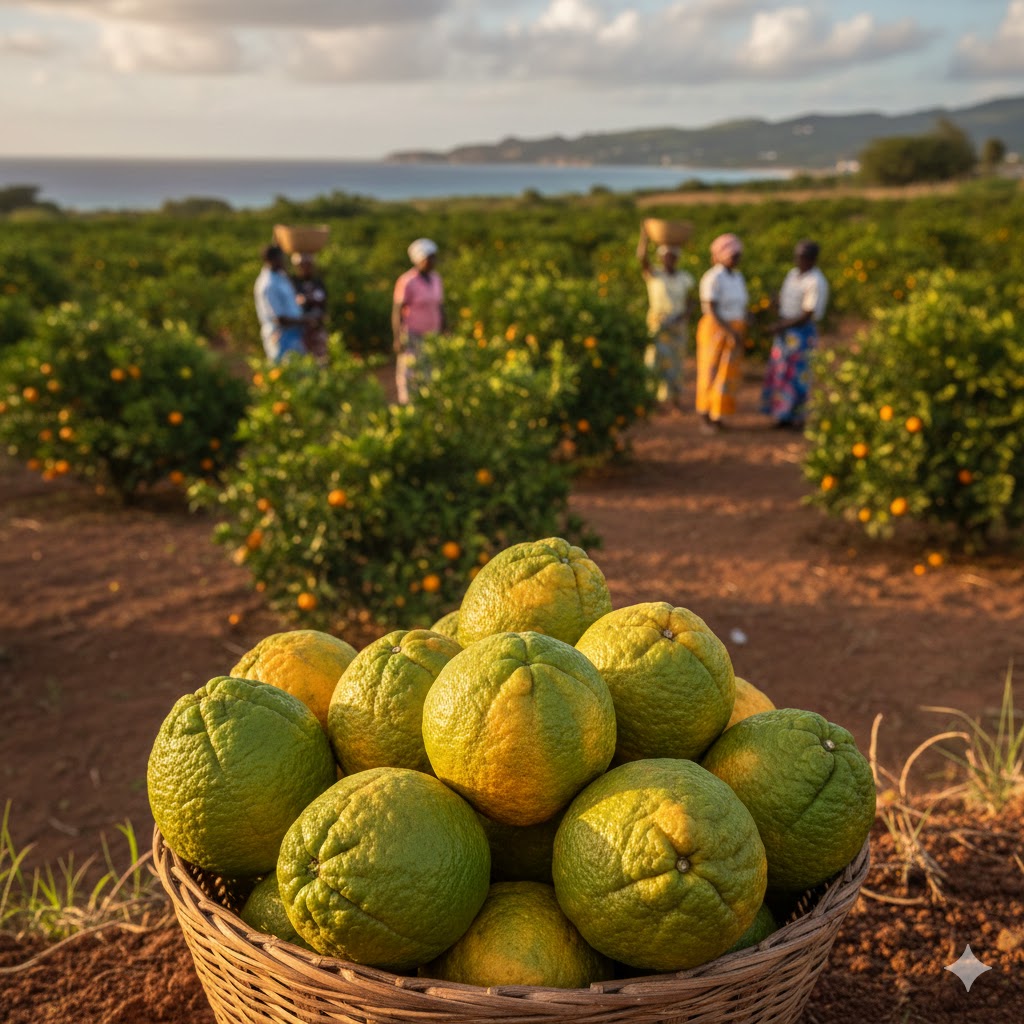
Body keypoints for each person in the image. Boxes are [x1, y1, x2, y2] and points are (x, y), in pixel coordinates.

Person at [760, 240, 829, 429]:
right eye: (798, 257)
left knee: (799, 375)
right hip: (786, 329)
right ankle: (782, 415)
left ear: (813, 259)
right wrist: (776, 304)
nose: (800, 261)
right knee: (782, 371)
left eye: (804, 258)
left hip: (801, 333)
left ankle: (798, 417)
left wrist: (780, 326)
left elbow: (807, 314)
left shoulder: (815, 281)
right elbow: (786, 303)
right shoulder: (792, 274)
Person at [636, 224, 695, 414]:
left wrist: (683, 317)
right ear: (661, 258)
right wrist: (644, 237)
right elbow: (641, 259)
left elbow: (691, 303)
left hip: (678, 326)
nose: (669, 259)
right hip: (657, 324)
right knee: (654, 361)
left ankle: (675, 401)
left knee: (676, 364)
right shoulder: (655, 275)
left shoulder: (685, 278)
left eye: (672, 256)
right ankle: (651, 402)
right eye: (666, 256)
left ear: (677, 258)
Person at [695, 233, 749, 433]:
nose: (735, 259)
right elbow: (712, 307)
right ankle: (705, 415)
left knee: (727, 374)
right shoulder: (713, 277)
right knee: (710, 371)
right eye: (731, 255)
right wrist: (730, 331)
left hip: (734, 329)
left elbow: (739, 304)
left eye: (737, 255)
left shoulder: (737, 276)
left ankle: (718, 414)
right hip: (716, 329)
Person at [392, 237, 445, 404]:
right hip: (412, 333)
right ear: (419, 259)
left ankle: (428, 402)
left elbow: (440, 306)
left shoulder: (436, 279)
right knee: (409, 369)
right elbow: (397, 311)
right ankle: (408, 404)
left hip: (432, 333)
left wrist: (445, 327)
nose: (433, 261)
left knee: (430, 368)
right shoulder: (407, 281)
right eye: (429, 258)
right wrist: (397, 337)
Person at [253, 244, 310, 364]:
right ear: (272, 260)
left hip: (294, 333)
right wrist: (307, 320)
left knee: (299, 371)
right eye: (281, 258)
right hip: (280, 336)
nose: (284, 261)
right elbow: (279, 319)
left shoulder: (280, 276)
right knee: (285, 371)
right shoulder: (268, 285)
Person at [290, 252, 329, 364]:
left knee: (321, 360)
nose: (305, 267)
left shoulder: (318, 282)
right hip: (300, 330)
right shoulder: (293, 282)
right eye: (302, 265)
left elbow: (324, 301)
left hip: (318, 328)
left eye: (308, 264)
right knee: (302, 360)